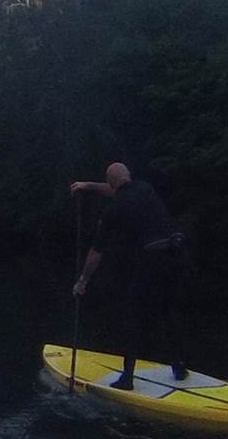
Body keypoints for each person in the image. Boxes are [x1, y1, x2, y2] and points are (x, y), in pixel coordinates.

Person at [70, 162, 186, 390]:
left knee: (132, 316)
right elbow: (115, 188)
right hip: (175, 256)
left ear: (113, 182)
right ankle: (179, 367)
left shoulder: (114, 209)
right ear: (129, 177)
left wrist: (83, 280)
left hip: (151, 260)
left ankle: (127, 380)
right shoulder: (144, 187)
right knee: (169, 311)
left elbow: (97, 250)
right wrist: (89, 185)